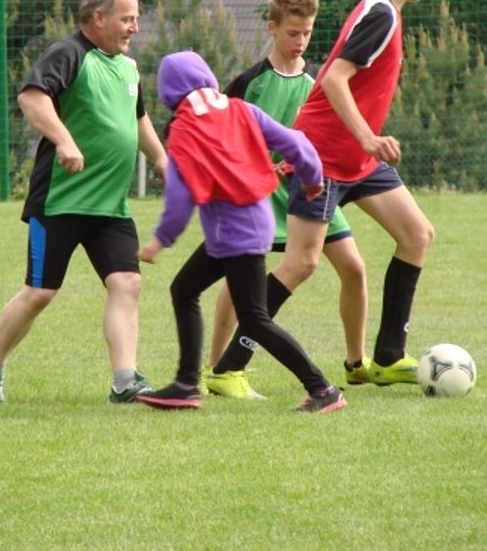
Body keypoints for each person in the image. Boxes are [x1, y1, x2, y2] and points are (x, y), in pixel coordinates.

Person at [228, 0, 450, 387]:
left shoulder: (382, 8)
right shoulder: (381, 14)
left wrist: (365, 145)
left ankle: (388, 357)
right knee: (301, 263)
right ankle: (228, 366)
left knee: (417, 234)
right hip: (324, 156)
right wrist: (370, 137)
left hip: (357, 159)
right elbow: (334, 78)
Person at [0, 0, 168, 404]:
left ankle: (124, 381)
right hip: (61, 200)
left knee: (127, 282)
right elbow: (32, 97)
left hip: (111, 205)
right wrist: (64, 140)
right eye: (127, 18)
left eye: (135, 18)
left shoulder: (128, 68)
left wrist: (160, 159)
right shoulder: (69, 53)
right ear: (98, 18)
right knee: (40, 292)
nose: (134, 27)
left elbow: (136, 120)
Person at [135, 50, 346, 414]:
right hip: (247, 223)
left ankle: (323, 389)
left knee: (254, 320)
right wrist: (312, 180)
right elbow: (296, 144)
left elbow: (180, 193)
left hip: (236, 233)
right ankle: (186, 385)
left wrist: (160, 240)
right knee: (184, 289)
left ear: (167, 92)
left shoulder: (184, 127)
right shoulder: (238, 108)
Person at [204, 0, 371, 399]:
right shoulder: (250, 83)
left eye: (308, 33)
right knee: (239, 282)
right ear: (272, 28)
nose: (300, 41)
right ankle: (218, 368)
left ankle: (357, 362)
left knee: (354, 268)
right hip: (259, 196)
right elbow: (220, 137)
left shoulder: (319, 84)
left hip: (313, 191)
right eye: (293, 33)